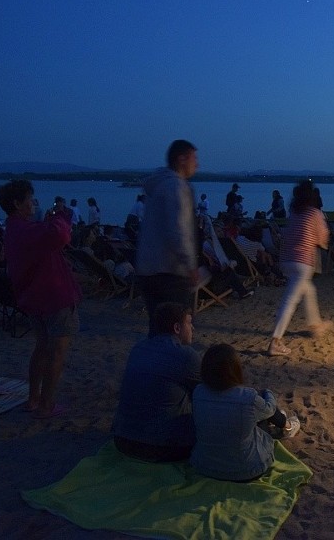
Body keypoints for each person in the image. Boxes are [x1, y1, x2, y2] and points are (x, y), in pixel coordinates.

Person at [0, 179, 81, 419]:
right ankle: (47, 404)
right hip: (53, 297)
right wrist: (60, 215)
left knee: (42, 348)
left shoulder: (14, 229)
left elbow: (43, 238)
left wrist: (50, 219)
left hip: (34, 299)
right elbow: (61, 234)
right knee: (56, 352)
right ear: (17, 203)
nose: (34, 203)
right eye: (30, 199)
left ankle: (34, 399)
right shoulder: (25, 230)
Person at [191, 343, 300, 482]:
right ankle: (287, 426)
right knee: (263, 410)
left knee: (250, 414)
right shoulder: (247, 397)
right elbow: (270, 409)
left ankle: (284, 423)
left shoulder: (198, 392)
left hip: (206, 467)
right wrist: (268, 392)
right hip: (246, 469)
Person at [112, 303, 202, 462]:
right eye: (189, 323)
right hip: (162, 447)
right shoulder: (186, 356)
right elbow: (212, 391)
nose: (192, 328)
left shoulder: (138, 348)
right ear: (177, 328)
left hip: (122, 440)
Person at [135, 140, 201, 338]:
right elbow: (178, 230)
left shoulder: (158, 186)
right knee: (178, 328)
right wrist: (190, 265)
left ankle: (154, 366)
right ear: (181, 159)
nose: (197, 164)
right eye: (194, 158)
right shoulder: (176, 186)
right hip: (170, 272)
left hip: (148, 270)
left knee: (157, 328)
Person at [267, 180, 333, 356]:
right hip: (302, 262)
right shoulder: (315, 213)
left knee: (308, 290)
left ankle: (315, 325)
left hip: (286, 261)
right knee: (290, 301)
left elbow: (288, 234)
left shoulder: (294, 213)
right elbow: (322, 239)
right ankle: (276, 341)